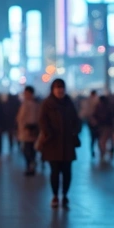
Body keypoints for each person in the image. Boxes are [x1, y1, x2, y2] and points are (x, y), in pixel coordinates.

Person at [38, 78, 80, 207]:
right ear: (53, 89)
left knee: (67, 171)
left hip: (67, 143)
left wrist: (75, 130)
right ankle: (55, 195)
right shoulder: (47, 103)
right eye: (57, 87)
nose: (60, 90)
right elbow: (42, 121)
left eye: (62, 87)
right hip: (53, 143)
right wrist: (48, 133)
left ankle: (65, 195)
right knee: (55, 171)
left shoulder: (69, 102)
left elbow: (76, 120)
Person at [16, 86, 42, 176]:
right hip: (25, 131)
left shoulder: (34, 104)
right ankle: (30, 166)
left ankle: (31, 166)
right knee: (28, 150)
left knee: (29, 150)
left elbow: (37, 118)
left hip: (31, 130)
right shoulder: (25, 104)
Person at [93, 91, 114, 162]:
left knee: (102, 140)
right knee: (108, 140)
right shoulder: (109, 106)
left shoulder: (98, 106)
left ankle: (103, 152)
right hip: (108, 126)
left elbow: (95, 115)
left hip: (102, 126)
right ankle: (108, 151)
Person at [79, 90, 99, 159]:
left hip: (90, 121)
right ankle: (95, 150)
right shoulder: (97, 101)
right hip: (97, 122)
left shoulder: (87, 101)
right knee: (96, 137)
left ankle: (92, 150)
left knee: (92, 137)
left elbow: (84, 112)